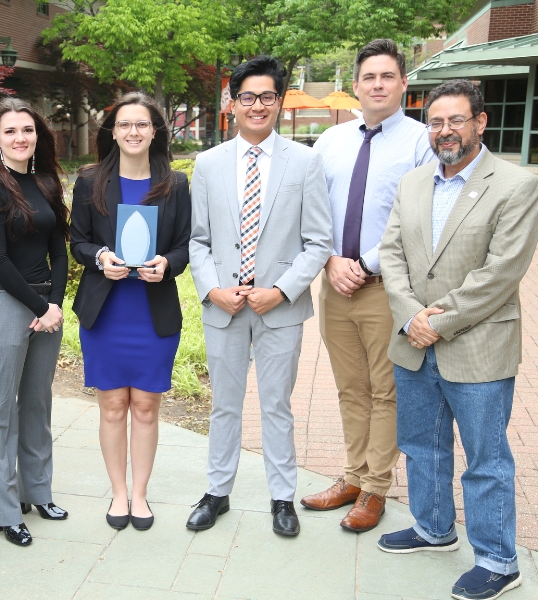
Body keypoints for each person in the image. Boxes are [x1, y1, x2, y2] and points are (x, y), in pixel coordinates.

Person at [378, 79, 538, 600]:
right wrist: (410, 317)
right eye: (436, 122)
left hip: (477, 345)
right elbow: (392, 254)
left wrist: (436, 322)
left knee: (485, 459)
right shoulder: (413, 183)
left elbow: (501, 272)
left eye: (456, 120)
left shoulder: (516, 185)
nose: (445, 131)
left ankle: (498, 561)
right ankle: (433, 528)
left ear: (480, 122)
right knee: (421, 445)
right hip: (413, 342)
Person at [187, 56, 332, 536]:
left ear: (279, 102)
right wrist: (212, 289)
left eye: (267, 96)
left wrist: (282, 291)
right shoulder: (208, 164)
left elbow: (318, 242)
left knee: (276, 406)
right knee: (224, 405)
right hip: (224, 307)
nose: (257, 105)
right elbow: (198, 240)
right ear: (232, 103)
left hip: (279, 309)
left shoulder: (305, 162)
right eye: (247, 96)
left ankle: (282, 498)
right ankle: (217, 492)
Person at [302, 39, 435, 531]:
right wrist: (330, 261)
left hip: (386, 286)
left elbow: (418, 217)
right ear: (356, 85)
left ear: (403, 83)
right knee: (350, 388)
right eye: (369, 77)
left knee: (386, 390)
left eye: (387, 76)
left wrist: (363, 262)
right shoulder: (331, 141)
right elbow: (312, 210)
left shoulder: (420, 142)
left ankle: (376, 488)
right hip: (335, 285)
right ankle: (353, 477)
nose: (377, 85)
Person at [70, 92, 191, 532]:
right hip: (106, 312)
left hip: (152, 313)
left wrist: (167, 263)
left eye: (142, 124)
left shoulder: (175, 184)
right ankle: (118, 493)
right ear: (114, 131)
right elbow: (78, 242)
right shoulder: (90, 182)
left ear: (155, 131)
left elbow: (185, 246)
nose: (133, 131)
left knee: (145, 406)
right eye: (125, 124)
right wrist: (100, 256)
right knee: (112, 406)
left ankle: (140, 494)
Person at [0, 98, 69, 547]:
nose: (20, 138)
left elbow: (59, 251)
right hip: (8, 303)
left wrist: (54, 304)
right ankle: (6, 510)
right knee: (0, 409)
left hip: (46, 307)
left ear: (37, 135)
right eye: (10, 131)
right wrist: (38, 307)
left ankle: (38, 492)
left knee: (36, 403)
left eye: (27, 130)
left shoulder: (46, 183)